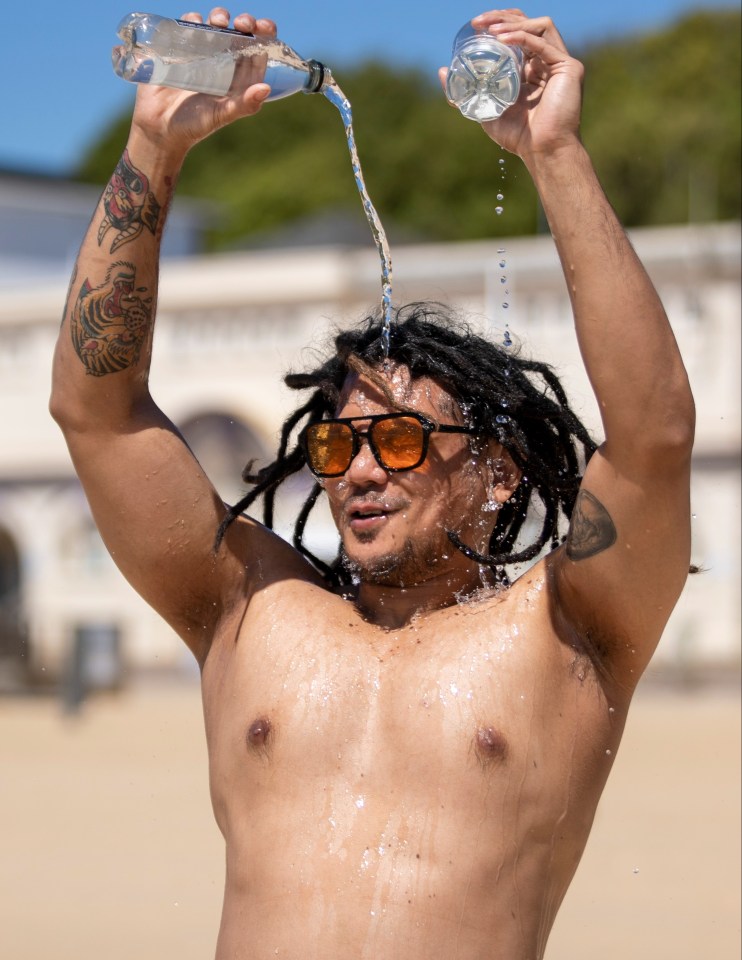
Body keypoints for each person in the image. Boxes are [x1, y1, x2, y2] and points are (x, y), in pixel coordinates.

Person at [50, 7, 695, 959]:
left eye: (397, 440)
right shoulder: (249, 610)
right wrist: (153, 147)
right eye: (334, 445)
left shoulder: (569, 631)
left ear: (497, 469)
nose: (357, 469)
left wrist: (554, 153)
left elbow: (653, 437)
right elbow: (97, 416)